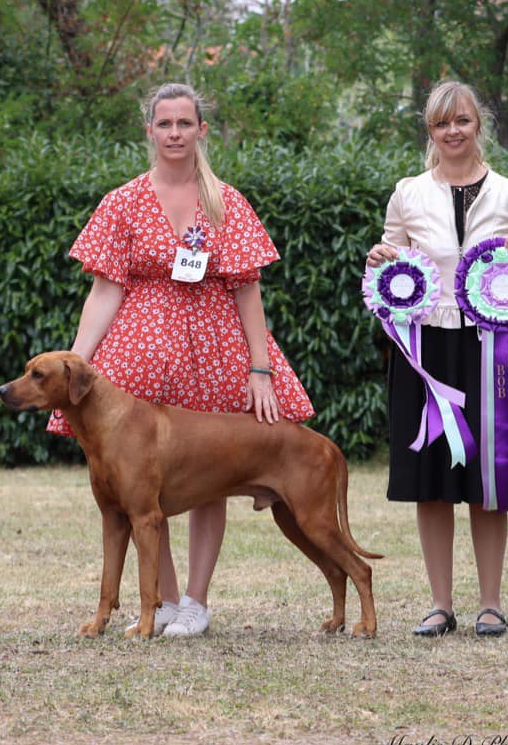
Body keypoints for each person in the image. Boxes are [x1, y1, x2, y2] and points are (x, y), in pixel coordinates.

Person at [48, 82, 315, 637]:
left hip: (215, 353)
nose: (174, 133)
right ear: (150, 131)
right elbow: (103, 292)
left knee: (209, 476)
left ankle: (196, 602)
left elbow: (248, 291)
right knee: (142, 484)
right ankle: (163, 600)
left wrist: (260, 369)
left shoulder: (226, 201)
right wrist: (78, 360)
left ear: (202, 130)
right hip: (136, 360)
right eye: (164, 124)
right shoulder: (122, 201)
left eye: (184, 124)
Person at [365, 81, 508, 638]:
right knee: (432, 479)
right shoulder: (408, 192)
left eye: (462, 121)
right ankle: (439, 604)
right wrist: (380, 256)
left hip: (492, 348)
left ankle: (490, 604)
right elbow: (390, 260)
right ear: (431, 131)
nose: (453, 131)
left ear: (478, 125)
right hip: (426, 350)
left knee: (489, 480)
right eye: (442, 123)